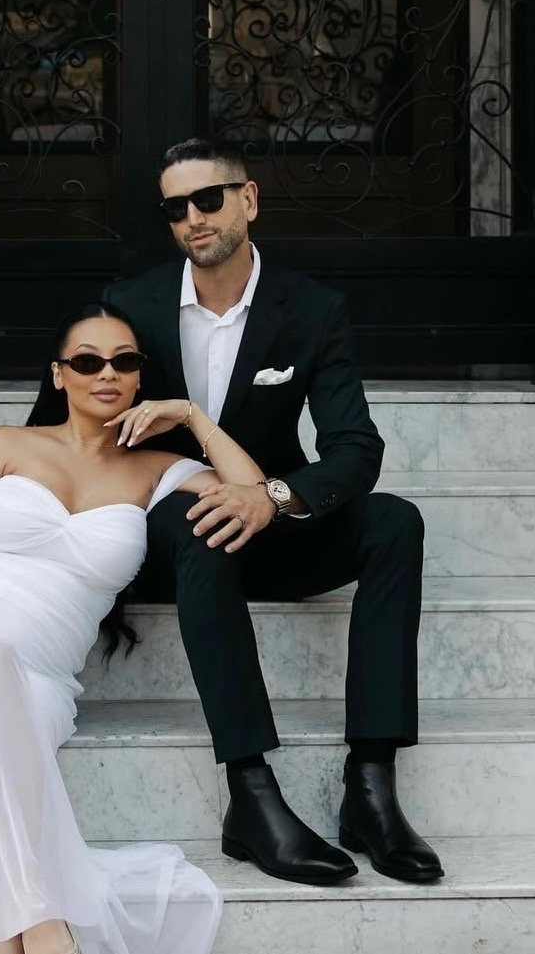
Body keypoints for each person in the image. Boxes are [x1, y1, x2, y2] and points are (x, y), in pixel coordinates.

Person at [0, 299, 265, 954]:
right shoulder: (4, 444)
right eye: (87, 360)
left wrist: (191, 415)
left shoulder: (154, 471)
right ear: (58, 374)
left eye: (124, 360)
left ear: (141, 376)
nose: (105, 373)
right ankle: (44, 927)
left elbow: (253, 490)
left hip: (40, 679)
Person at [103, 138, 443, 887]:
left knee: (394, 521)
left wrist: (276, 497)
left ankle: (371, 786)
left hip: (272, 519)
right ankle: (250, 792)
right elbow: (73, 430)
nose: (192, 217)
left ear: (248, 200)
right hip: (177, 533)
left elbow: (355, 448)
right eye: (174, 207)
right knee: (203, 516)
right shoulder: (131, 307)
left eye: (208, 199)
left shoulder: (312, 310)